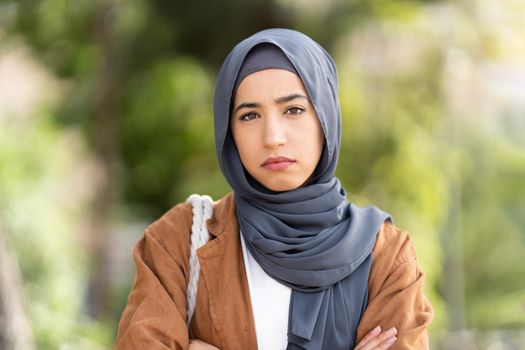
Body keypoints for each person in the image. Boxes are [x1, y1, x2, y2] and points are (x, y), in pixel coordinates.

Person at [115, 28, 434, 350]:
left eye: (293, 110)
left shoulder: (386, 254)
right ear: (229, 131)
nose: (272, 137)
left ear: (325, 117)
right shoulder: (179, 240)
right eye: (249, 115)